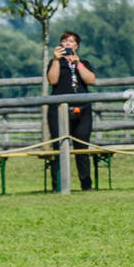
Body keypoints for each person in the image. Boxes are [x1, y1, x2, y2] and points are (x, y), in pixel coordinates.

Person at [47, 30, 98, 191]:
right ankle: (58, 185)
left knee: (82, 148)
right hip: (58, 110)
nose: (67, 44)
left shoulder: (84, 63)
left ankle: (86, 184)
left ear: (77, 46)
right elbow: (52, 80)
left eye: (71, 41)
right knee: (59, 148)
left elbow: (90, 80)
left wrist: (78, 64)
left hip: (82, 110)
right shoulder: (55, 62)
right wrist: (56, 60)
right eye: (64, 41)